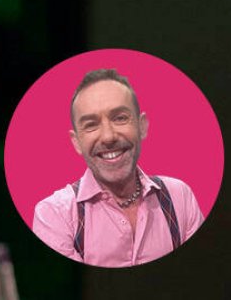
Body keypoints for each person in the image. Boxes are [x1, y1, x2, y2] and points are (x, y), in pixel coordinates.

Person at [32, 69, 203, 267]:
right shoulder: (55, 214)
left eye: (120, 118)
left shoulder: (179, 197)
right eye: (91, 125)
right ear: (76, 142)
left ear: (142, 126)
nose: (108, 136)